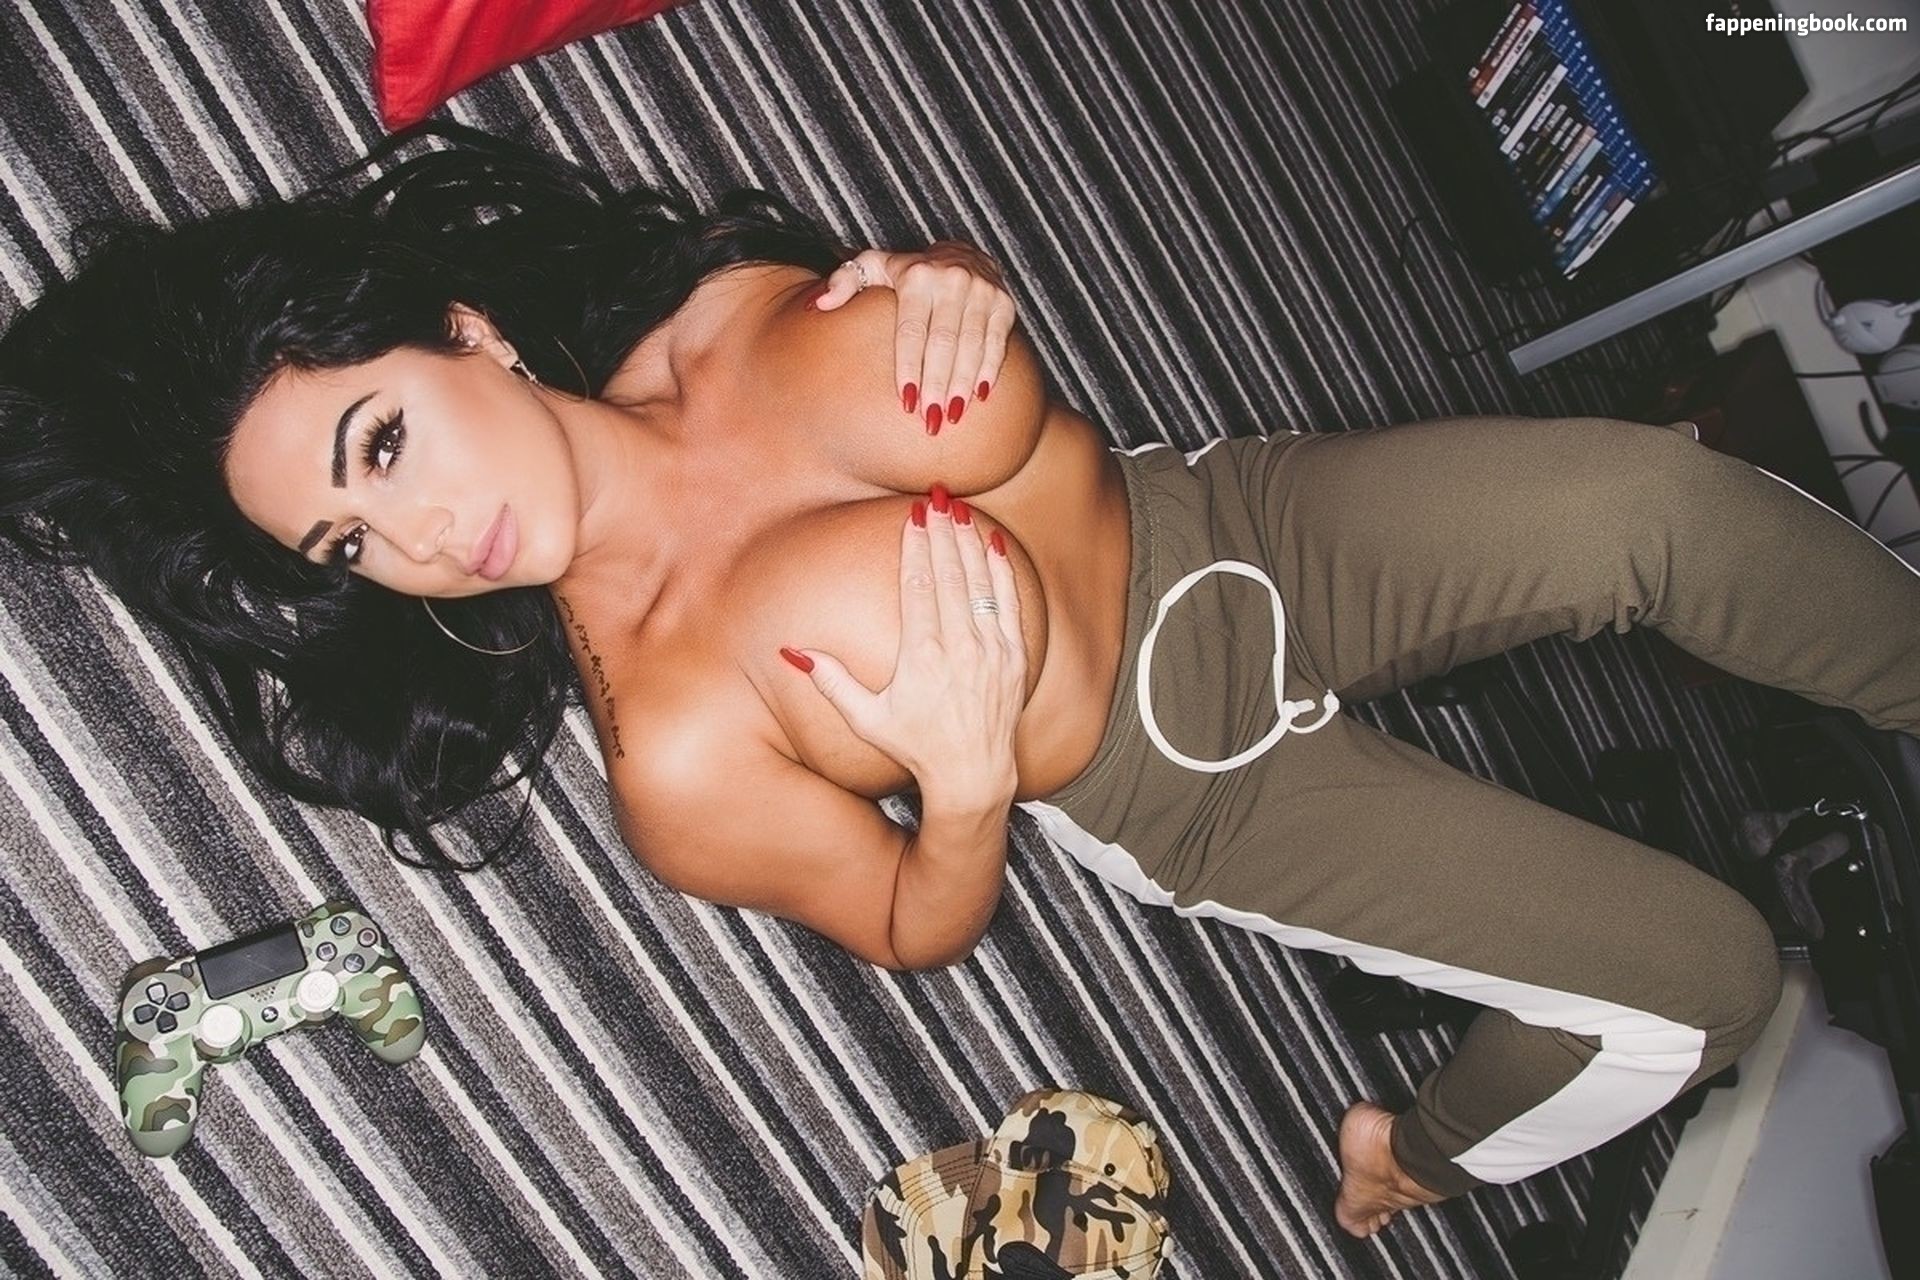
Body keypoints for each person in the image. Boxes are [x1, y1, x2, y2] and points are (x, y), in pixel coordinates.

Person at [3, 122, 1916, 1240]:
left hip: (1230, 516)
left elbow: (952, 354)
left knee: (1660, 502)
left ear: (468, 335)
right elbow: (919, 927)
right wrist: (969, 784)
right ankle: (1410, 1155)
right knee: (1709, 977)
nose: (421, 536)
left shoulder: (706, 315)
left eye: (382, 445)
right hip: (1198, 781)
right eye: (350, 547)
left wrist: (951, 273)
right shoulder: (679, 752)